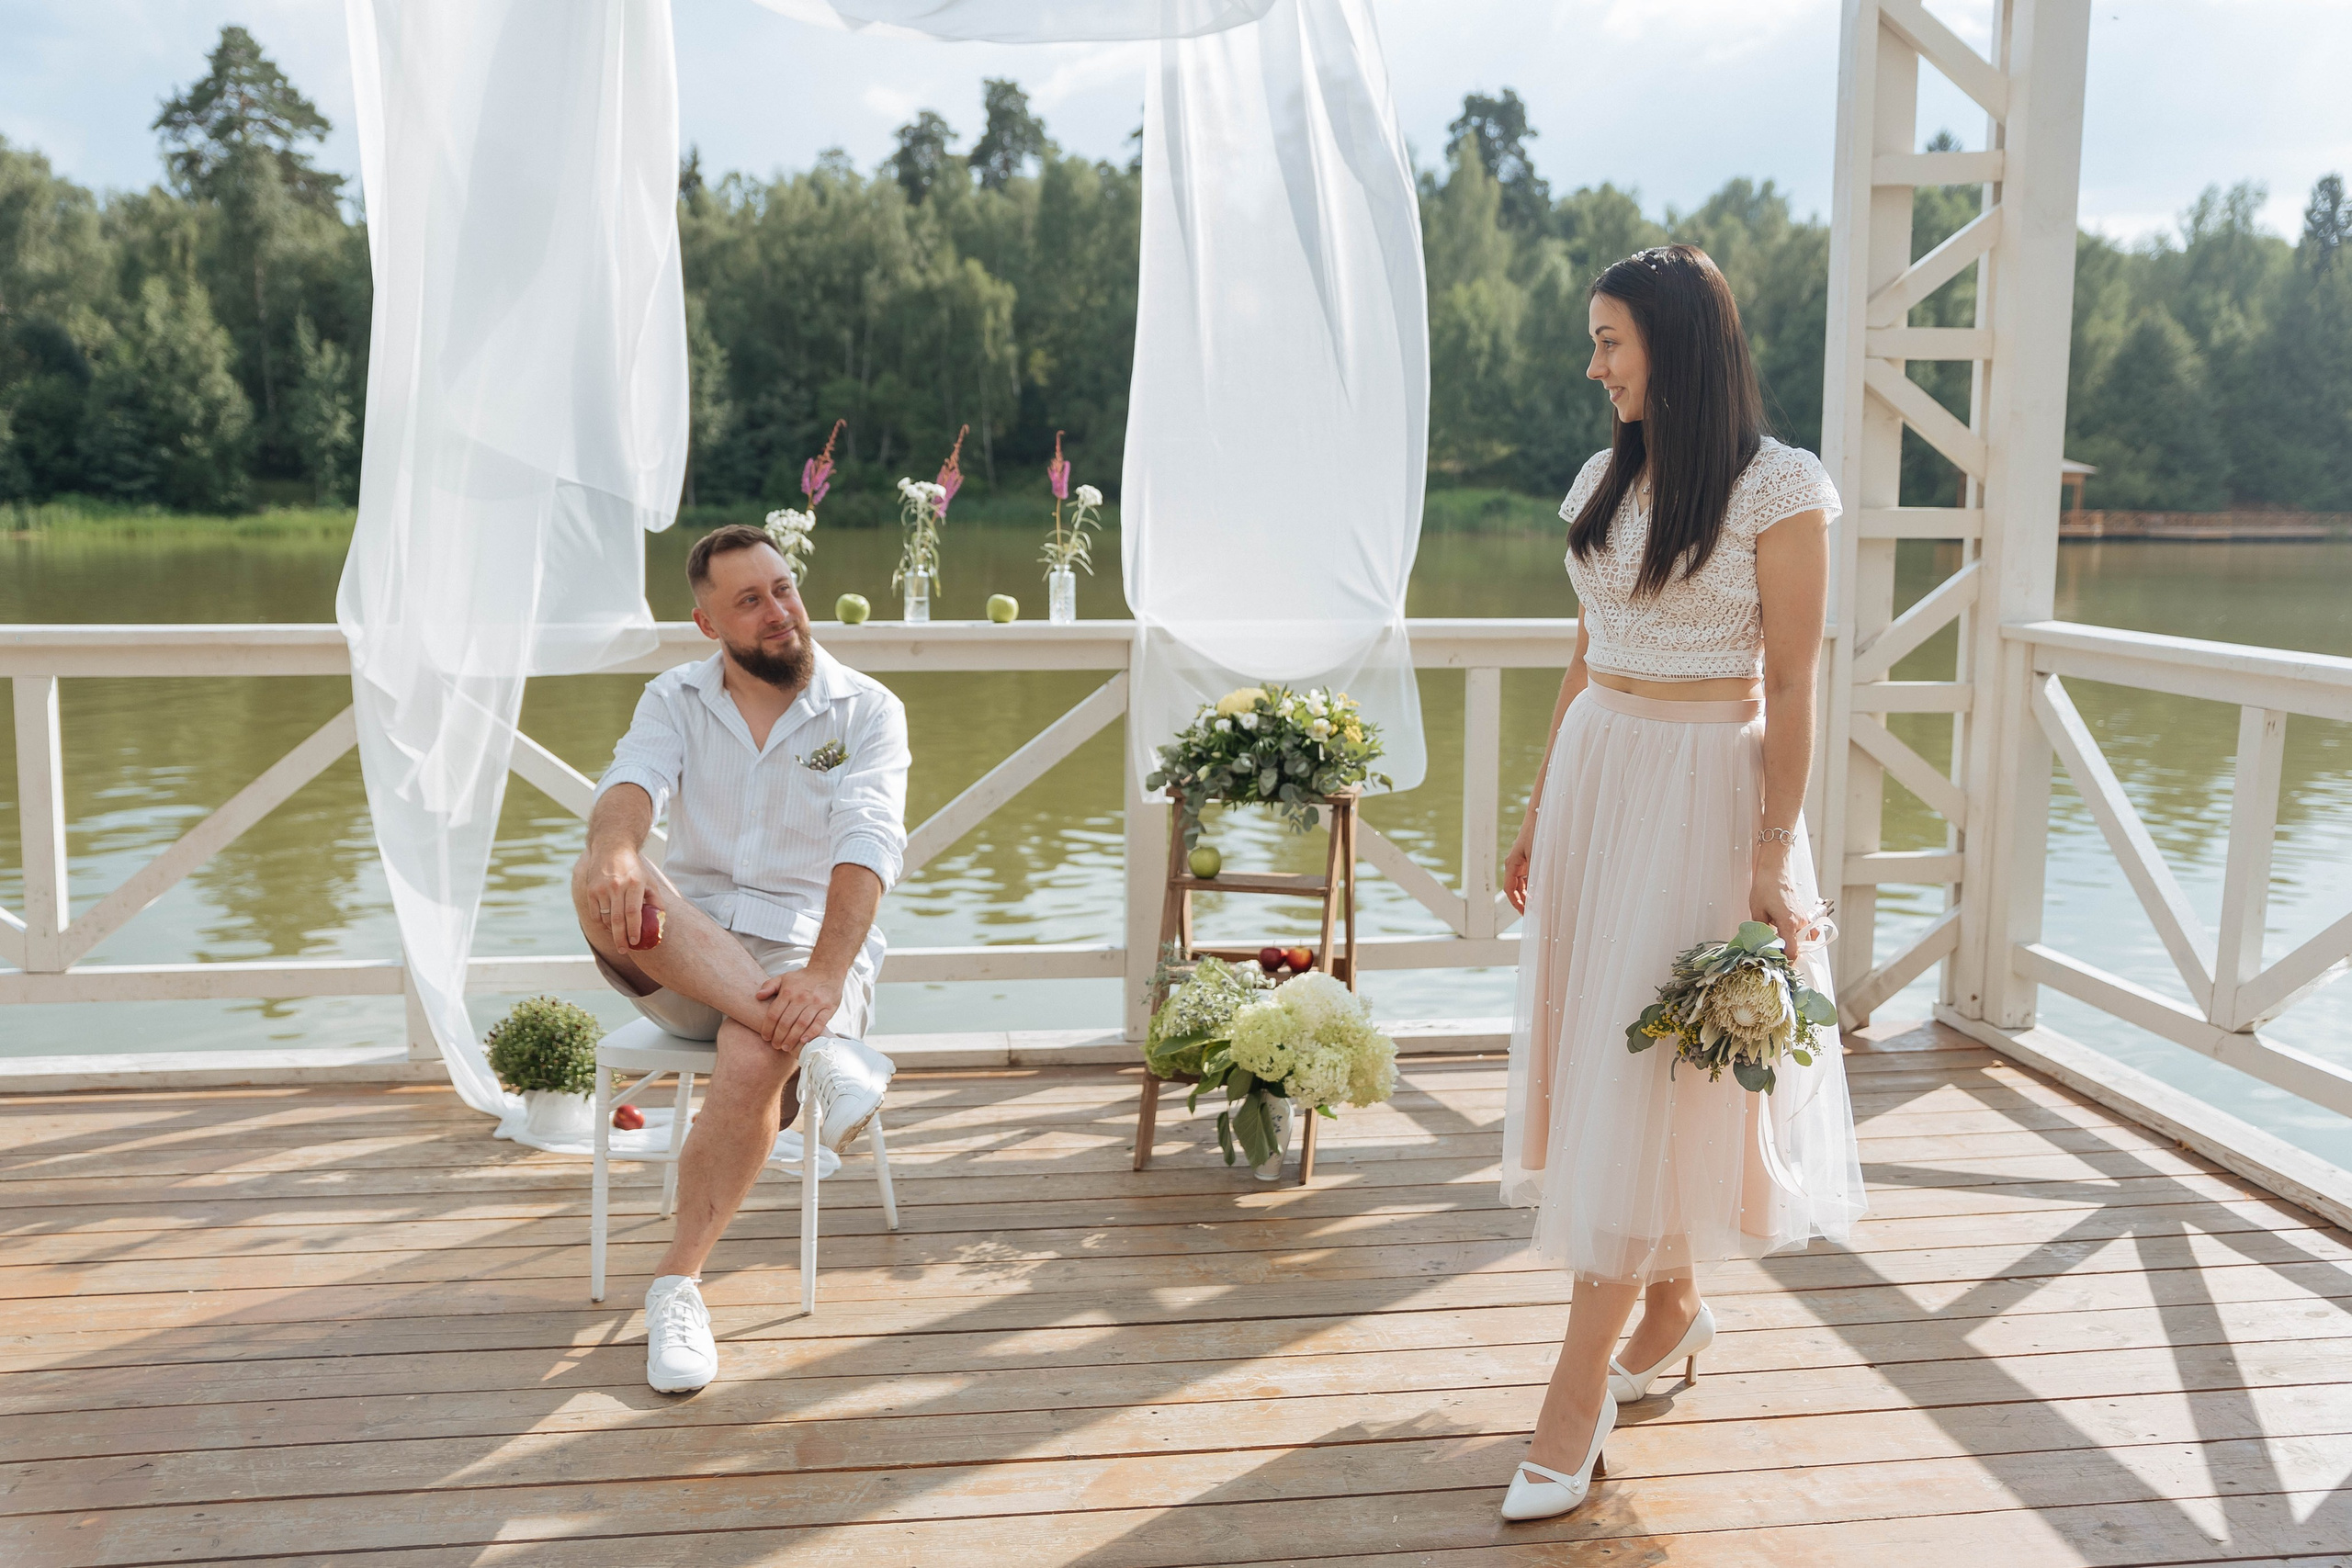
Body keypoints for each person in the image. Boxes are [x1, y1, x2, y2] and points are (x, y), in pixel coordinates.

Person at [1495, 245, 1868, 1520]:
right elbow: (1583, 652)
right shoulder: (1602, 477)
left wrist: (1769, 854)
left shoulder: (1781, 488)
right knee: (1607, 1061)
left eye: (1609, 340)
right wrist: (1538, 809)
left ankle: (1574, 1397)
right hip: (1599, 775)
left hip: (1705, 791)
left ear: (1676, 342)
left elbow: (1798, 685)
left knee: (1647, 1070)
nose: (1592, 364)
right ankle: (1671, 1308)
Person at [574, 523, 909, 1394]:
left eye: (784, 589)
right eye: (750, 601)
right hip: (687, 955)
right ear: (707, 623)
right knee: (597, 869)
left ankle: (675, 1286)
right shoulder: (675, 697)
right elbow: (633, 780)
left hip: (806, 950)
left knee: (756, 1048)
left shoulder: (867, 708)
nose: (779, 612)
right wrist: (616, 846)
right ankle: (822, 1052)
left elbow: (869, 842)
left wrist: (825, 978)